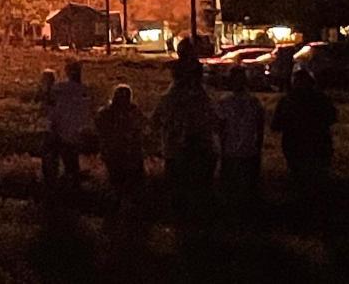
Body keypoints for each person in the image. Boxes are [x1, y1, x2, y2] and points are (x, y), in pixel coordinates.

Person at [152, 59, 217, 216]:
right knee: (196, 192)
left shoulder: (170, 98)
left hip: (177, 150)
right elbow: (213, 120)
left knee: (180, 192)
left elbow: (156, 121)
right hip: (197, 149)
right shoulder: (201, 97)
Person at [271, 67, 337, 186]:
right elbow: (332, 118)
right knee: (316, 178)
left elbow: (276, 124)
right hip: (316, 145)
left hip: (298, 145)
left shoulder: (288, 101)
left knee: (300, 177)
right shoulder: (320, 99)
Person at [43, 60, 95, 188]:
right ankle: (73, 182)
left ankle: (53, 184)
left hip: (60, 131)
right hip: (77, 131)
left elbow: (50, 105)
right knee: (71, 160)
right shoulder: (85, 91)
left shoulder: (60, 88)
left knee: (52, 154)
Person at [216, 66, 265, 198]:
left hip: (236, 151)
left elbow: (220, 127)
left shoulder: (226, 102)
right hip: (244, 151)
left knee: (234, 190)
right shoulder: (253, 102)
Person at [95, 84, 145, 200]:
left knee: (118, 183)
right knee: (129, 185)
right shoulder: (133, 111)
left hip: (117, 151)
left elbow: (99, 130)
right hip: (127, 152)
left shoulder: (105, 112)